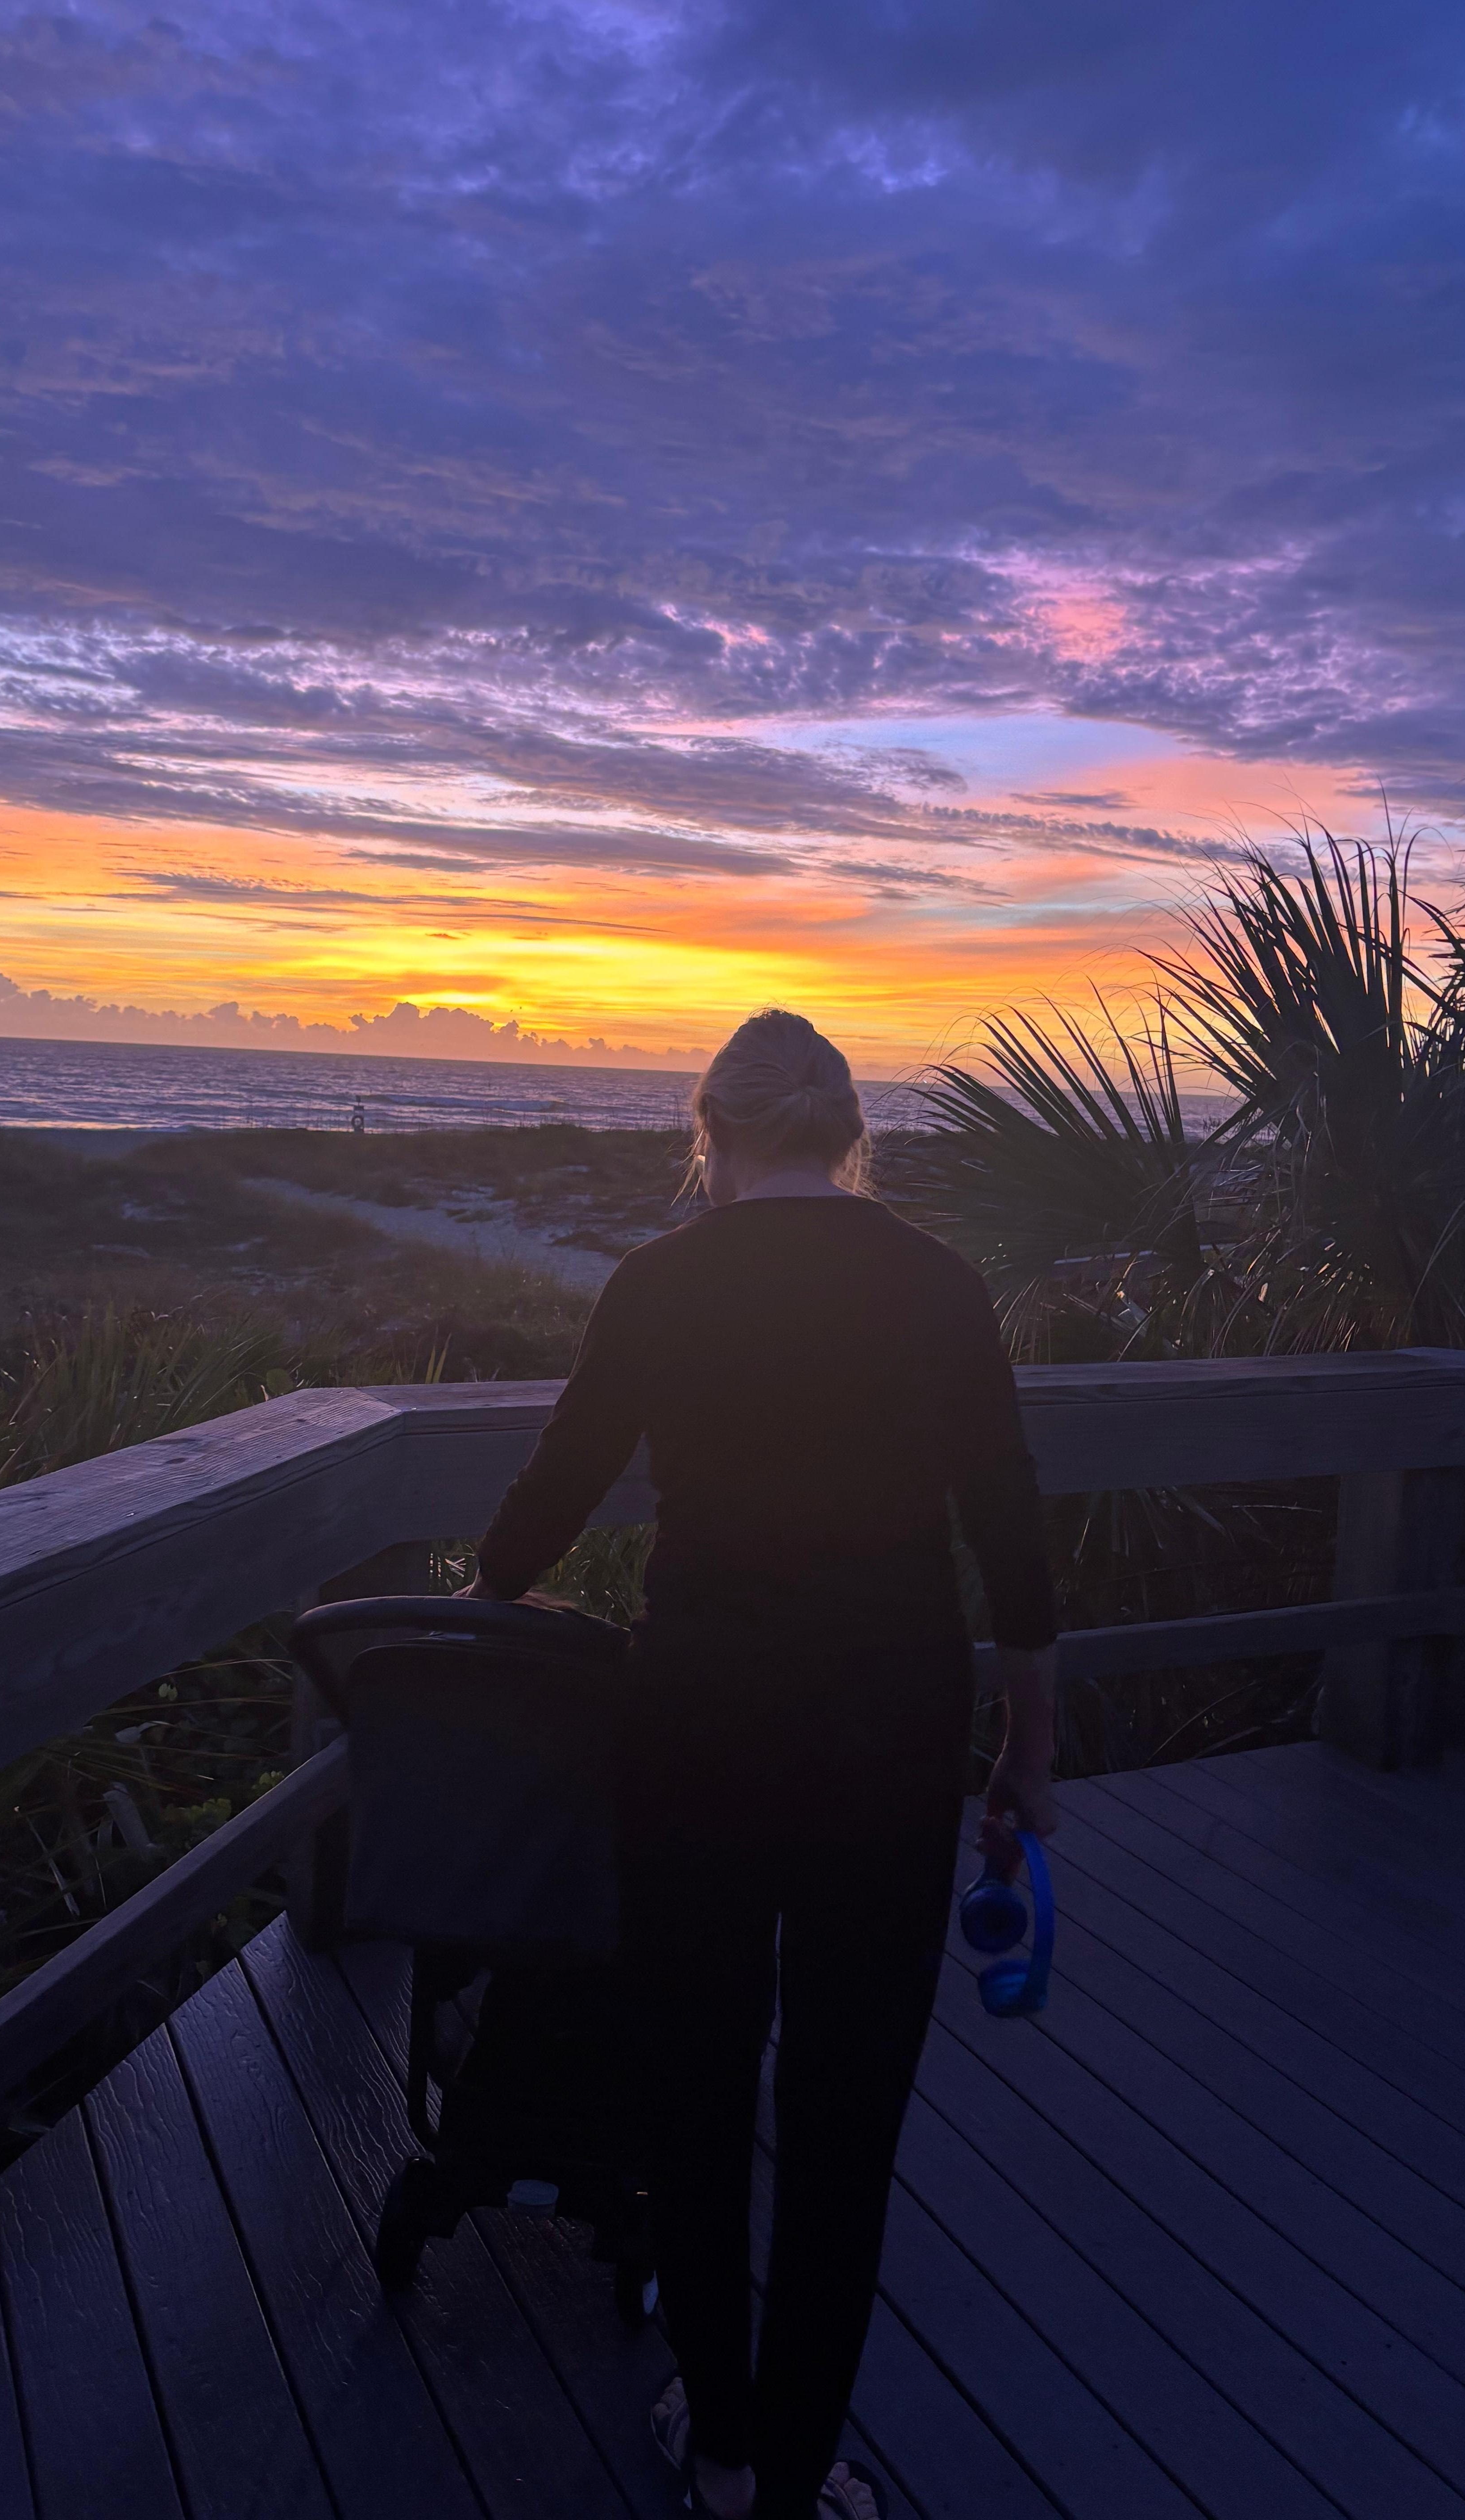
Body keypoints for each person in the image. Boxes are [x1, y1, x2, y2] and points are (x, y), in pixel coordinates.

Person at [469, 1010, 1058, 2520]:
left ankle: (720, 2448)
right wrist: (1023, 1753)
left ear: (711, 1137)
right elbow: (1008, 1531)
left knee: (696, 2089)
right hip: (890, 1737)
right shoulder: (935, 1285)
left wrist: (490, 1606)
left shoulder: (661, 1282)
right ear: (848, 1134)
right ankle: (799, 2476)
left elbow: (547, 1504)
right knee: (847, 2119)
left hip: (698, 1735)